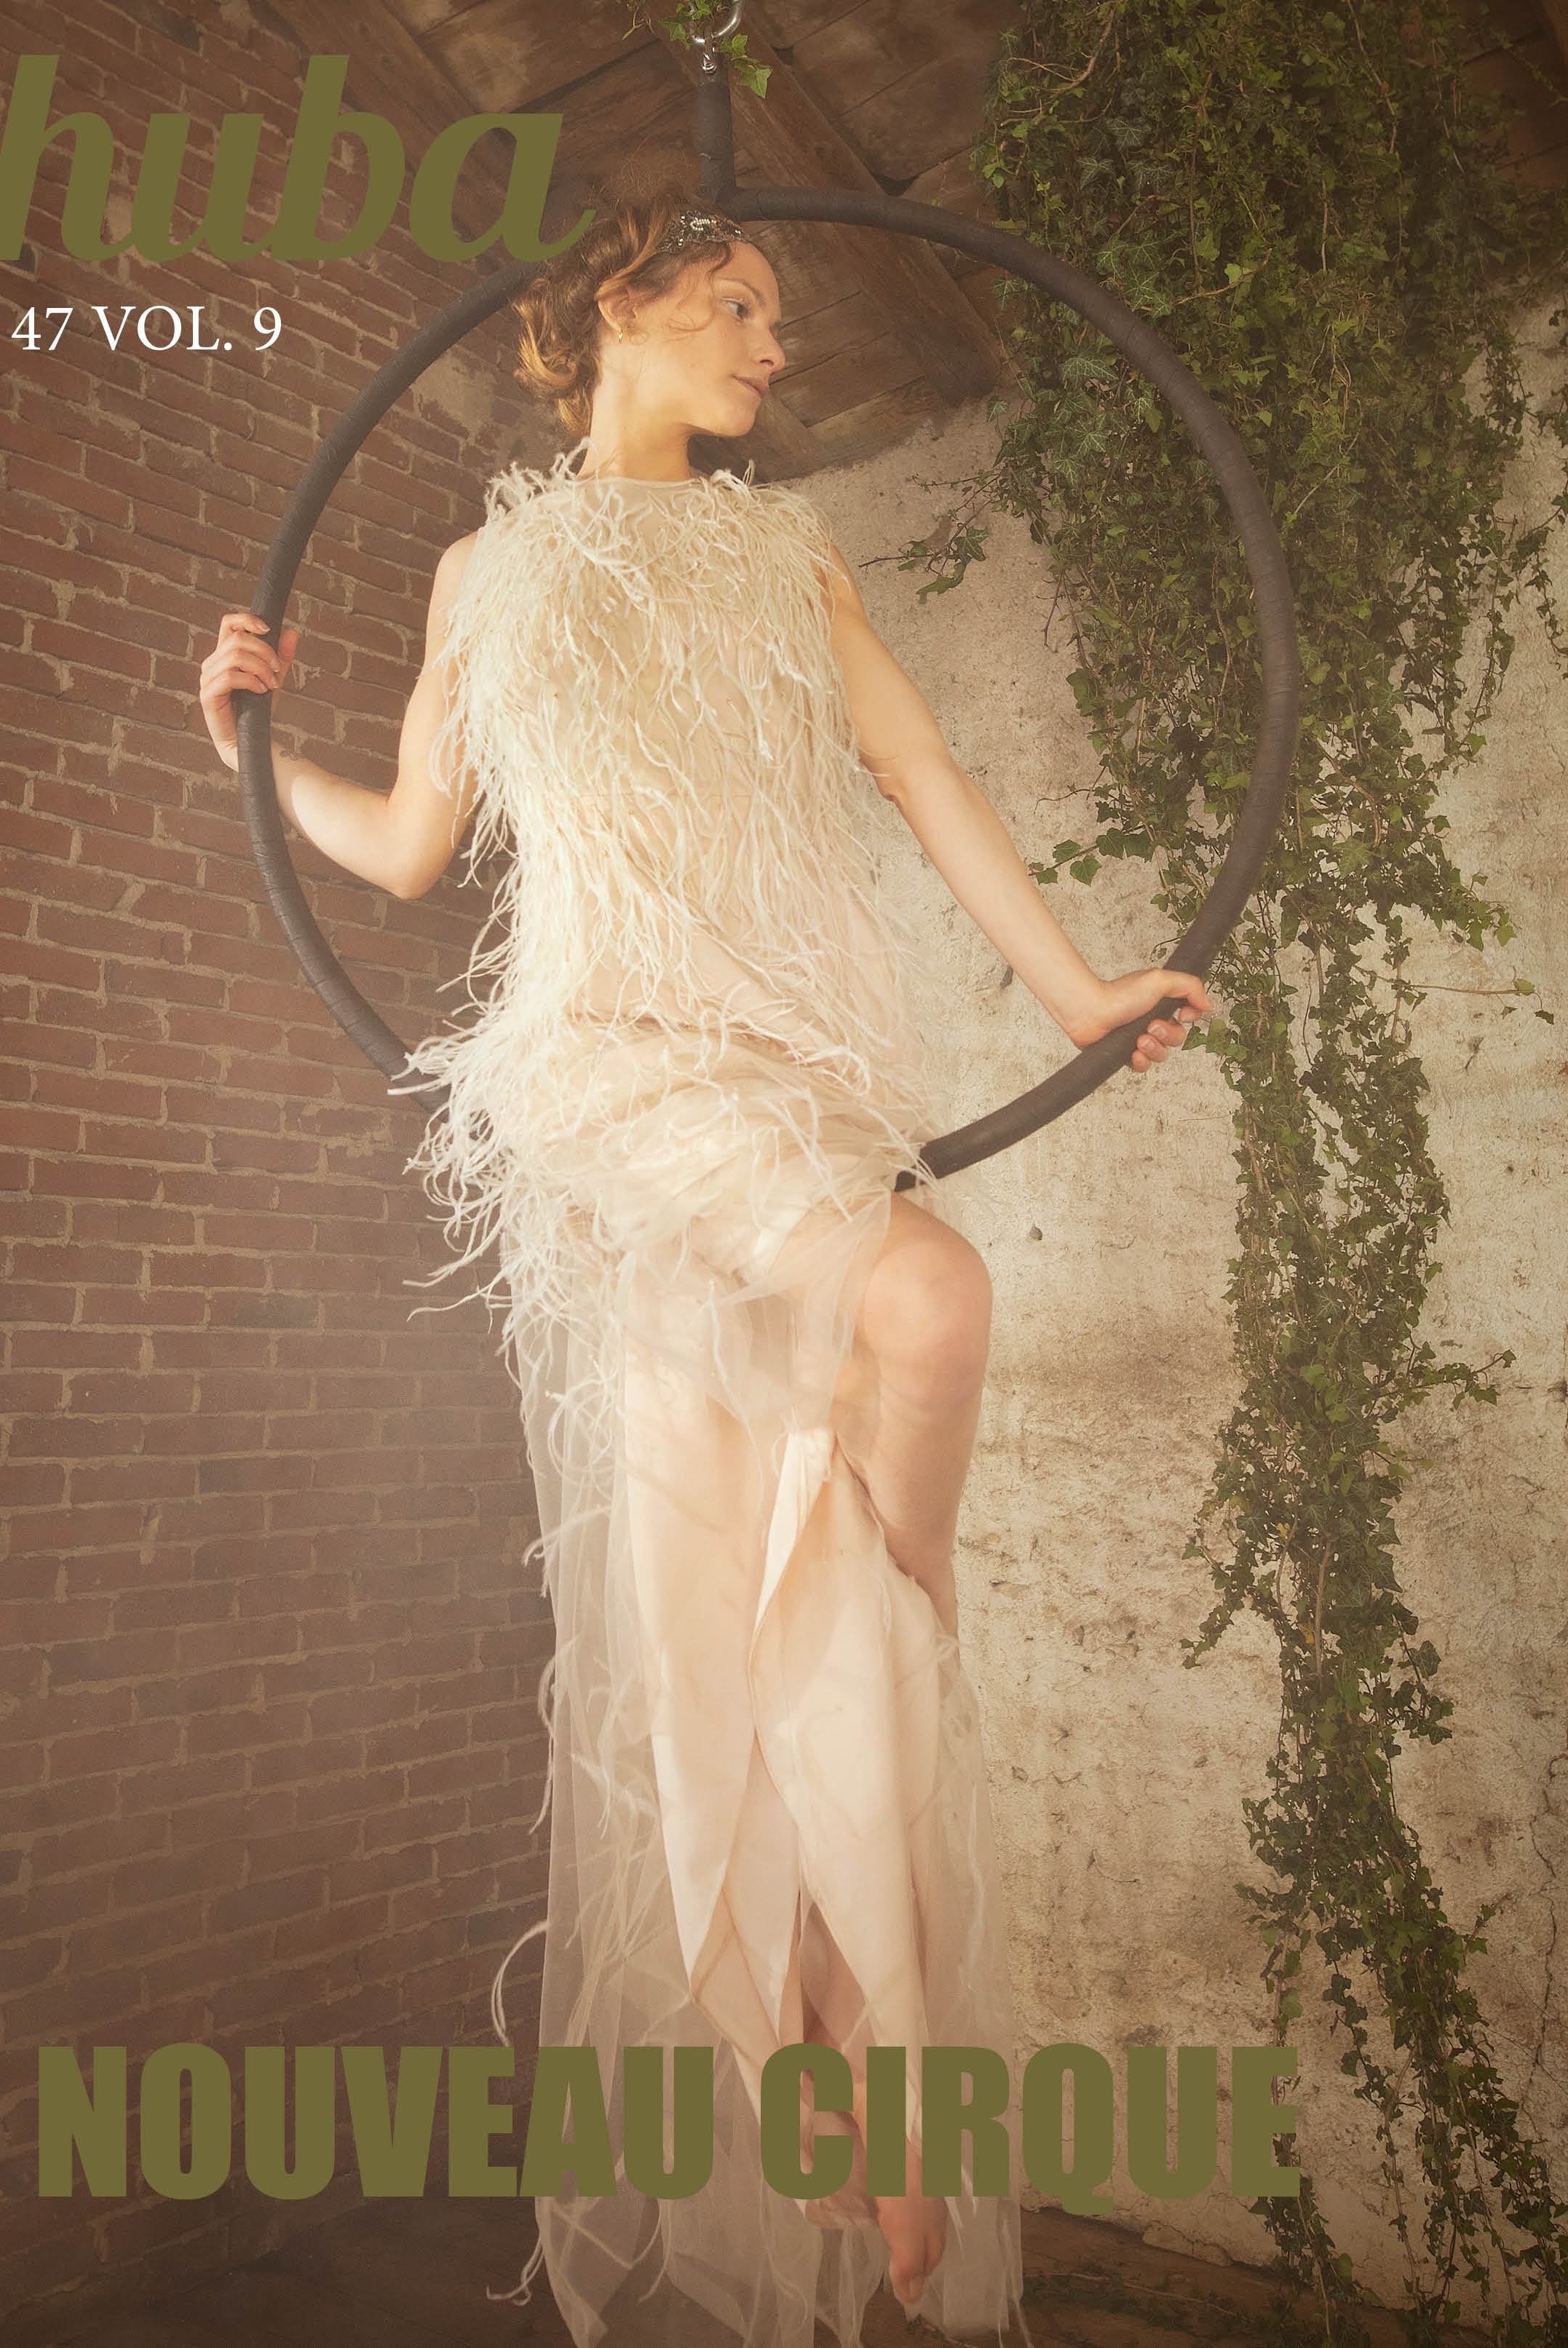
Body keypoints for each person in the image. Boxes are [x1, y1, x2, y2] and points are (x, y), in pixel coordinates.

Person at [199, 186, 1211, 2348]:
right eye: (738, 304)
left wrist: (1071, 994)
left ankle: (836, 2026)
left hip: (795, 1075)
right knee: (926, 1308)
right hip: (602, 1074)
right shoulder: (488, 572)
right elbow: (409, 846)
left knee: (794, 1570)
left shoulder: (784, 549)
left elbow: (915, 766)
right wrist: (251, 753)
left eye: (774, 313)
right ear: (625, 307)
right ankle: (836, 1979)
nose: (771, 342)